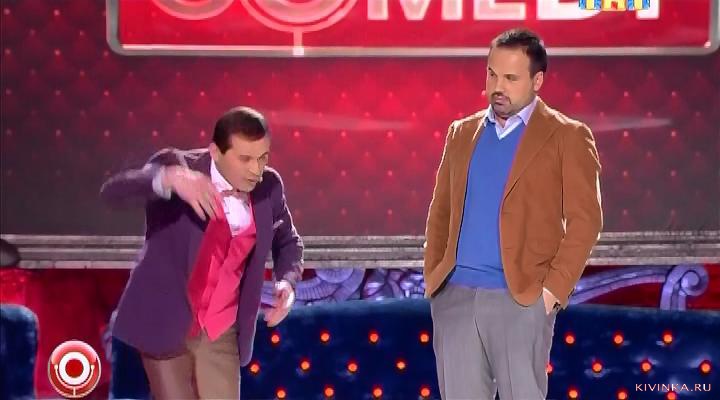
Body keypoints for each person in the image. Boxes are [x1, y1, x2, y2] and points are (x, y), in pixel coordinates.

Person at [423, 28, 603, 400]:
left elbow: (586, 221)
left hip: (520, 300)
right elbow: (440, 212)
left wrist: (550, 294)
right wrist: (436, 280)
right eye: (492, 74)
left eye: (510, 78)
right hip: (456, 300)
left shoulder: (568, 136)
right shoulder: (462, 133)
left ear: (537, 81)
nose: (497, 87)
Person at [101, 106, 303, 399]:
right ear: (216, 152)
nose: (256, 170)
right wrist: (169, 179)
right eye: (245, 159)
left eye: (262, 158)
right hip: (166, 318)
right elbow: (113, 193)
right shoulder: (178, 166)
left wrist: (287, 283)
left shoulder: (269, 186)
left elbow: (287, 242)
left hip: (221, 328)